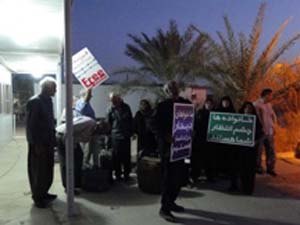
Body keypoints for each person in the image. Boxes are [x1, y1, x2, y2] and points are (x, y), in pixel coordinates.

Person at [153, 80, 191, 222]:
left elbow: (191, 121)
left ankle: (172, 202)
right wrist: (165, 136)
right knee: (168, 178)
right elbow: (153, 124)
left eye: (174, 87)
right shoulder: (162, 106)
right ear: (166, 91)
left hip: (183, 148)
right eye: (169, 88)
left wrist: (191, 132)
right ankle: (164, 208)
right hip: (168, 149)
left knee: (180, 177)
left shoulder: (185, 104)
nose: (173, 90)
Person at [25, 77, 57, 208]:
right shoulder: (35, 102)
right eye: (54, 88)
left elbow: (49, 122)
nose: (55, 91)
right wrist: (36, 144)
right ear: (46, 88)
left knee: (48, 169)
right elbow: (31, 125)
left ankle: (44, 192)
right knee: (38, 171)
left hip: (48, 142)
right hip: (39, 144)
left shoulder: (48, 101)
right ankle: (38, 197)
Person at [238, 102, 264, 195]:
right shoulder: (238, 119)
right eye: (246, 108)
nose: (248, 110)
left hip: (251, 149)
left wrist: (256, 142)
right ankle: (242, 186)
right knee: (242, 168)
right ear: (243, 109)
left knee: (250, 169)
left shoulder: (255, 120)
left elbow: (261, 133)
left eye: (250, 108)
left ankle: (249, 189)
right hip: (241, 149)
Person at [106, 92, 133, 181]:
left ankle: (126, 174)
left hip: (125, 136)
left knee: (126, 156)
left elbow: (130, 120)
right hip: (115, 136)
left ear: (118, 98)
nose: (113, 102)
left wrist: (131, 132)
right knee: (116, 157)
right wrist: (108, 139)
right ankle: (118, 174)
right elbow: (108, 124)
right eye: (111, 101)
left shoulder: (126, 107)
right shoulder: (110, 109)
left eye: (114, 100)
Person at [215, 96, 238, 191]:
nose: (225, 104)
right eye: (224, 102)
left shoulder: (233, 112)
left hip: (229, 141)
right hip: (219, 141)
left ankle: (227, 173)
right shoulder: (217, 112)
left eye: (227, 102)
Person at [191, 98, 215, 183]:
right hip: (199, 140)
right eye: (207, 103)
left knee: (210, 160)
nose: (209, 105)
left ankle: (210, 177)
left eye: (210, 104)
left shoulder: (216, 114)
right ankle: (195, 176)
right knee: (197, 160)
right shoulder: (200, 112)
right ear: (205, 104)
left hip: (211, 141)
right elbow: (195, 124)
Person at [254, 88, 277, 176]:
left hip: (269, 131)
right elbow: (257, 117)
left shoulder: (269, 105)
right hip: (261, 131)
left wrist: (274, 126)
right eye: (271, 95)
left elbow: (272, 115)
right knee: (258, 150)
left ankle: (270, 168)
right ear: (266, 95)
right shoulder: (256, 104)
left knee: (271, 150)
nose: (272, 97)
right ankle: (257, 167)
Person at [75, 88, 97, 166]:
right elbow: (86, 100)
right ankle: (84, 167)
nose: (91, 96)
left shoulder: (82, 103)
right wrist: (89, 88)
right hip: (86, 131)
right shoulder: (82, 102)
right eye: (90, 95)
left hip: (88, 130)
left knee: (88, 151)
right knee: (86, 152)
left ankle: (86, 165)